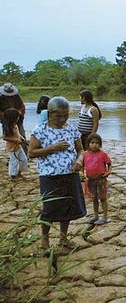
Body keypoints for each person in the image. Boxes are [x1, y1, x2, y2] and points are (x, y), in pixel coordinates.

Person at [28, 96, 86, 252]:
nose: (62, 119)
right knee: (49, 208)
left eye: (65, 115)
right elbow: (31, 152)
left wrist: (79, 161)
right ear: (49, 113)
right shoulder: (40, 130)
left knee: (67, 208)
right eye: (58, 116)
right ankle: (44, 243)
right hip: (49, 176)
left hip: (70, 174)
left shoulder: (71, 128)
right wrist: (53, 148)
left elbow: (81, 149)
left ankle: (63, 239)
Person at [82, 133, 112, 225]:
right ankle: (96, 216)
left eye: (97, 143)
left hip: (101, 180)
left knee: (102, 198)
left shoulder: (102, 154)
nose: (94, 145)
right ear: (88, 144)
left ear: (100, 144)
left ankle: (105, 217)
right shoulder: (85, 154)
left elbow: (109, 163)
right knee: (94, 198)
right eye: (92, 143)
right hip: (90, 180)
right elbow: (82, 166)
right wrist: (82, 173)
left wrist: (108, 172)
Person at [2, 108, 28, 179]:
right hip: (12, 148)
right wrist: (16, 140)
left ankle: (19, 172)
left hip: (18, 147)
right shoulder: (8, 127)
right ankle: (13, 175)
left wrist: (22, 138)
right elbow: (5, 137)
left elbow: (18, 133)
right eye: (17, 117)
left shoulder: (15, 125)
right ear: (12, 118)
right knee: (14, 162)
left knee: (24, 159)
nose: (18, 118)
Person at [0, 83, 26, 151]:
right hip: (6, 120)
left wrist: (18, 113)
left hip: (18, 119)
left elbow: (22, 107)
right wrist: (6, 115)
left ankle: (24, 152)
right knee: (9, 135)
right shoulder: (1, 98)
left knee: (21, 134)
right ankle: (12, 151)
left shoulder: (17, 97)